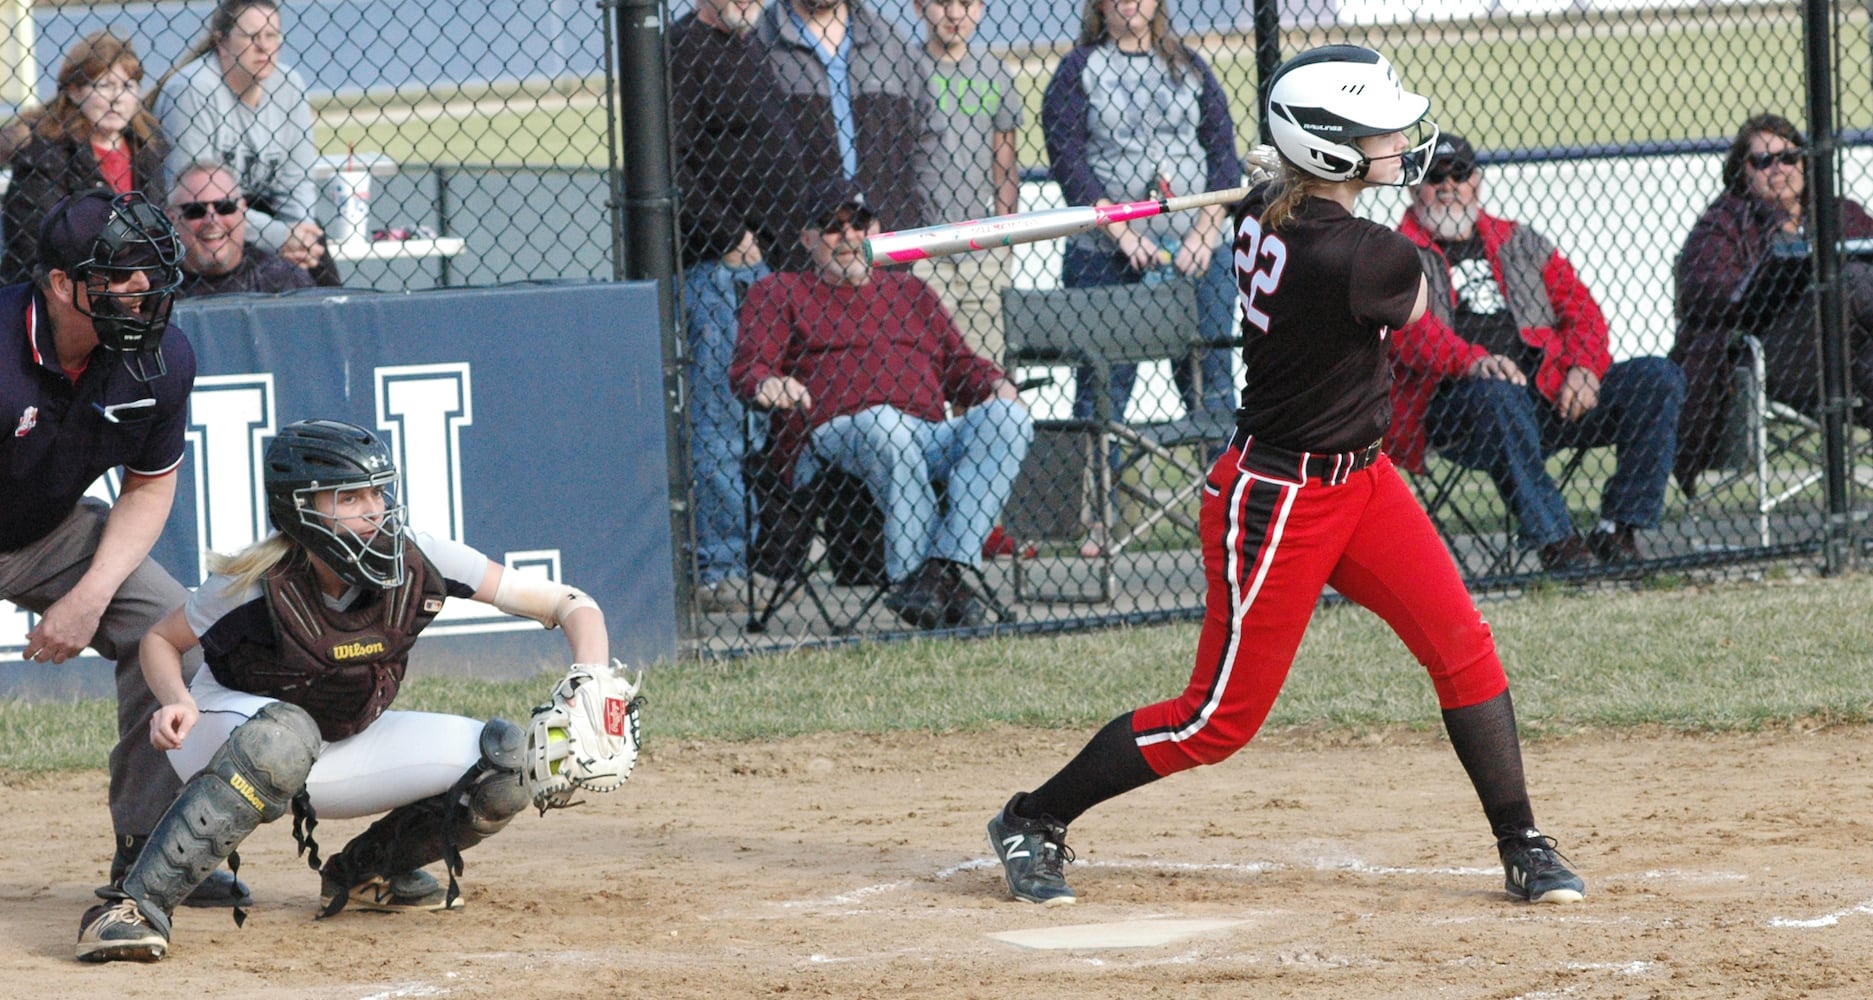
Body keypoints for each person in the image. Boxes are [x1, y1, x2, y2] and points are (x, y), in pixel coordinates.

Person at [985, 46, 1584, 909]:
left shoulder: (1264, 211)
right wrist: (1287, 184)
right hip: (1277, 498)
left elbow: (1284, 207)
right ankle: (1031, 817)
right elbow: (1422, 304)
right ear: (1329, 150)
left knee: (1461, 648)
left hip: (1364, 482)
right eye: (1376, 130)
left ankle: (1521, 843)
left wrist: (1278, 183)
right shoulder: (1362, 257)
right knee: (1216, 720)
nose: (1398, 139)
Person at [75, 419, 622, 962]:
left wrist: (590, 684)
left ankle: (366, 875)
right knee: (285, 738)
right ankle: (132, 906)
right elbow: (159, 640)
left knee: (507, 764)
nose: (373, 509)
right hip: (230, 736)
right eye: (349, 496)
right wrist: (177, 698)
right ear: (301, 508)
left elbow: (569, 603)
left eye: (377, 492)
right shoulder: (256, 583)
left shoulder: (421, 558)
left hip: (339, 743)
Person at [0, 190, 251, 909]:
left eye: (151, 272)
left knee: (174, 633)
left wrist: (87, 599)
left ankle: (151, 848)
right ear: (59, 285)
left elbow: (146, 489)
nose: (143, 291)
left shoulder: (162, 358)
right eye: (119, 275)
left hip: (50, 532)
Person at [730, 179, 1033, 629]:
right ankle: (928, 578)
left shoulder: (911, 293)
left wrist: (994, 382)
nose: (848, 236)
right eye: (832, 227)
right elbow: (748, 369)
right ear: (808, 238)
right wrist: (769, 385)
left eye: (858, 223)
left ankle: (939, 574)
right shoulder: (780, 291)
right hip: (833, 438)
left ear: (876, 231)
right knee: (884, 424)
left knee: (1010, 417)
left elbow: (960, 366)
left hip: (929, 434)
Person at [1389, 134, 1685, 570]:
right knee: (1496, 394)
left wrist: (1584, 369)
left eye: (1460, 174)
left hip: (1550, 393)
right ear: (1416, 189)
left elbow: (1583, 312)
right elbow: (1409, 334)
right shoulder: (1396, 252)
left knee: (1659, 378)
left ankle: (1618, 529)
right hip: (1458, 408)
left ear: (1478, 182)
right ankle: (1557, 542)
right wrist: (1471, 361)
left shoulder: (1520, 240)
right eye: (1436, 177)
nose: (1449, 185)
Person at [1041, 0, 1243, 555]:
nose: (1131, 3)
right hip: (1106, 254)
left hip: (1197, 253)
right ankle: (1100, 518)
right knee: (1103, 388)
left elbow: (1224, 156)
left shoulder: (1191, 68)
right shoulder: (1078, 71)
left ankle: (1229, 514)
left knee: (1212, 382)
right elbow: (1069, 162)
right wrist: (1124, 234)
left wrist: (1205, 233)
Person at [671, 0, 812, 615]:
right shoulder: (681, 52)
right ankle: (721, 566)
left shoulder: (751, 43)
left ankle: (762, 558)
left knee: (762, 421)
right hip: (716, 270)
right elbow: (668, 166)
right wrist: (728, 234)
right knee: (720, 423)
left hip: (769, 271)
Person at [1672, 113, 1873, 491]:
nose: (1778, 168)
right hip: (1775, 360)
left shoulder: (1839, 213)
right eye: (1763, 161)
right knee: (1851, 281)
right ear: (1742, 171)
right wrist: (1771, 273)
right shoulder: (1724, 223)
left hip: (1849, 359)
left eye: (1789, 156)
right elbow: (1704, 290)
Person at [151, 0, 339, 288]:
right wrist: (279, 237)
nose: (264, 47)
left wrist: (300, 236)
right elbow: (192, 199)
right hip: (208, 218)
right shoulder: (191, 91)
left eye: (272, 35)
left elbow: (297, 183)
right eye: (251, 37)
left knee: (319, 261)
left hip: (269, 216)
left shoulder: (290, 86)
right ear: (221, 42)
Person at [755, 0, 942, 272]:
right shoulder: (759, 43)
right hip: (793, 261)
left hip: (885, 257)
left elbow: (930, 135)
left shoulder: (889, 43)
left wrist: (917, 219)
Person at [1, 32, 169, 285]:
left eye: (127, 86)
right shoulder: (47, 154)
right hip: (71, 285)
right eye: (103, 85)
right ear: (74, 91)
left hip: (140, 280)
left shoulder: (147, 147)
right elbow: (33, 244)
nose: (117, 98)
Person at [914, 0, 1022, 363]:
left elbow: (1005, 163)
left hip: (982, 246)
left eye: (966, 4)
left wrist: (1005, 238)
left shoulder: (995, 71)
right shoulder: (904, 69)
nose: (955, 14)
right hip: (921, 245)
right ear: (919, 7)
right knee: (922, 367)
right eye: (942, 4)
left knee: (985, 369)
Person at [166, 160, 316, 298]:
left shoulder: (281, 280)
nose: (212, 220)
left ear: (243, 210)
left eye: (225, 207)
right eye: (195, 210)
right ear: (172, 217)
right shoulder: (156, 285)